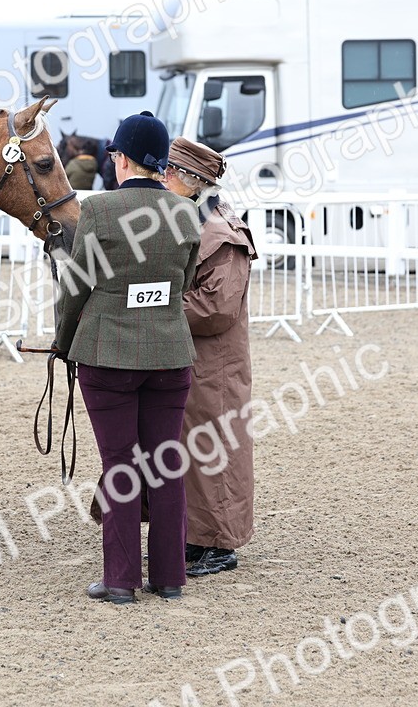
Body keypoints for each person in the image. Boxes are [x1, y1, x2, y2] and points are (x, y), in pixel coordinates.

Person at [53, 111, 201, 604]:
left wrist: (63, 340)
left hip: (108, 353)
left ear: (122, 158)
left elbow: (75, 288)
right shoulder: (186, 213)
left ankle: (120, 580)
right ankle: (169, 577)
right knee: (166, 464)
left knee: (120, 465)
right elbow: (182, 282)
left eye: (115, 154)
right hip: (170, 353)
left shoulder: (99, 211)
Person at [161, 137, 258, 577]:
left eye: (167, 173)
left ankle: (218, 544)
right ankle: (193, 537)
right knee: (190, 449)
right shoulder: (196, 222)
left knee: (214, 450)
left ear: (189, 181)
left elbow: (216, 308)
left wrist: (154, 307)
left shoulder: (222, 235)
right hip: (194, 360)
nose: (161, 181)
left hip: (214, 366)